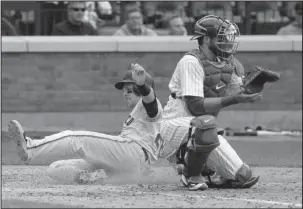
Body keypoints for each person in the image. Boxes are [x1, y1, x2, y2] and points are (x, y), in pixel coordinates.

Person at [8, 63, 163, 183]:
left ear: (141, 89)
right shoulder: (139, 112)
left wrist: (143, 85)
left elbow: (151, 102)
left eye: (129, 90)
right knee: (55, 168)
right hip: (130, 166)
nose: (124, 93)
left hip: (132, 153)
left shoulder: (148, 104)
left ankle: (30, 148)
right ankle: (92, 179)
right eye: (123, 90)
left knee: (76, 139)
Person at [161, 15, 264, 191]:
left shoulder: (229, 63)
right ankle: (191, 175)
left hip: (202, 128)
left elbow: (238, 92)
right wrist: (234, 99)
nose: (228, 42)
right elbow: (195, 106)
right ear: (207, 39)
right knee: (205, 124)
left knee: (242, 176)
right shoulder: (191, 62)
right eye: (222, 38)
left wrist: (254, 86)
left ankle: (204, 168)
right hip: (173, 126)